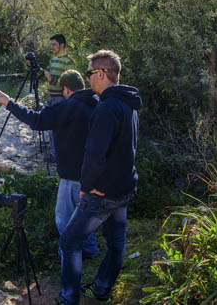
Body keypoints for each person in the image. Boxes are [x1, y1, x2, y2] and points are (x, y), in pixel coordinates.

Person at [57, 50, 142, 305]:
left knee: (70, 241)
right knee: (116, 242)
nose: (88, 79)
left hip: (102, 193)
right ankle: (102, 289)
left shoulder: (106, 108)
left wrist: (86, 187)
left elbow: (94, 155)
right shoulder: (129, 103)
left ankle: (68, 297)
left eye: (90, 73)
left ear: (101, 73)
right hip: (124, 189)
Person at [0, 70, 100, 259]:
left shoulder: (65, 108)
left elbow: (36, 120)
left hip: (71, 177)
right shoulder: (97, 104)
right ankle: (90, 251)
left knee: (63, 219)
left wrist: (9, 103)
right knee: (84, 218)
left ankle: (70, 255)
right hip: (92, 175)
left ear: (66, 89)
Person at [42, 34, 76, 160]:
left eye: (54, 44)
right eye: (51, 44)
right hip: (50, 97)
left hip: (60, 99)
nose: (52, 47)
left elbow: (70, 84)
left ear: (62, 45)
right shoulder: (53, 59)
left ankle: (59, 156)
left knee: (58, 129)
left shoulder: (69, 62)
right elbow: (48, 71)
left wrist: (51, 80)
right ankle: (55, 154)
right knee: (51, 127)